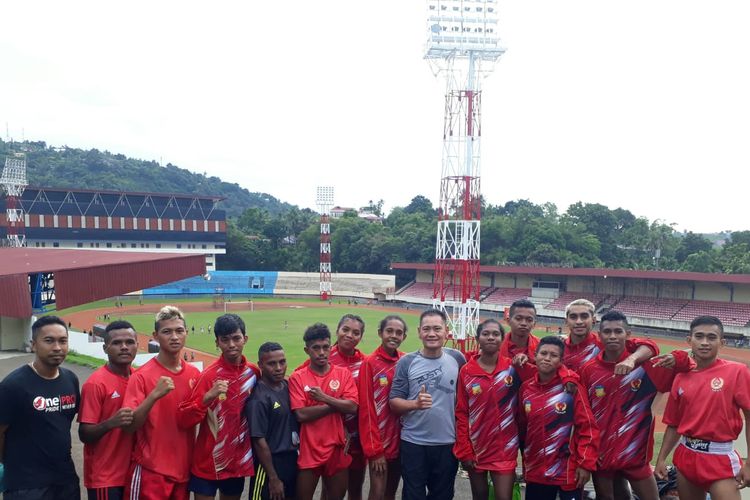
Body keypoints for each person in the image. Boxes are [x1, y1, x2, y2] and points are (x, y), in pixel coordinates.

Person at [579, 310, 693, 500]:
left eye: (618, 331)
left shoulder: (647, 367)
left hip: (636, 456)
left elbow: (686, 365)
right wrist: (589, 450)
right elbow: (583, 414)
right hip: (602, 455)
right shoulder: (588, 370)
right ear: (599, 336)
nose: (613, 336)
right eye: (607, 332)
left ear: (628, 334)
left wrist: (678, 358)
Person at [655, 316, 750, 500]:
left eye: (711, 337)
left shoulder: (737, 372)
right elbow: (674, 424)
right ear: (689, 341)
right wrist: (661, 458)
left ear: (722, 342)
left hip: (719, 458)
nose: (705, 342)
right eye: (699, 336)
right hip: (686, 455)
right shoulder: (681, 377)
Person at [177, 314, 260, 500]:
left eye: (236, 338)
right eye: (225, 340)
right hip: (207, 462)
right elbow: (184, 419)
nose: (231, 345)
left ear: (245, 339)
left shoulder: (253, 373)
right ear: (217, 343)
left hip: (236, 463)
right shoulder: (208, 376)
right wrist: (207, 397)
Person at [122, 305, 200, 500]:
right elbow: (129, 427)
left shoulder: (195, 375)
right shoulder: (141, 377)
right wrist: (154, 395)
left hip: (183, 472)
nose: (174, 337)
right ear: (155, 336)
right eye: (167, 332)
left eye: (179, 331)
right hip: (151, 471)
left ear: (186, 333)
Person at [0, 315, 81, 500]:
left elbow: (62, 423)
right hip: (27, 485)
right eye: (49, 341)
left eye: (63, 341)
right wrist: (11, 464)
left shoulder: (70, 379)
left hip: (65, 480)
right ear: (34, 344)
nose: (57, 347)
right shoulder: (13, 386)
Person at [389, 309, 466, 500]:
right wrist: (414, 404)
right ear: (419, 332)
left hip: (447, 443)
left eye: (437, 328)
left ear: (446, 331)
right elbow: (394, 403)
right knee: (413, 494)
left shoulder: (457, 359)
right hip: (414, 443)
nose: (432, 334)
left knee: (442, 495)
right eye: (427, 329)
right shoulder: (406, 362)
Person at [454, 319, 534, 500]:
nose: (491, 337)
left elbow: (545, 376)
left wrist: (528, 361)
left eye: (495, 334)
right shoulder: (466, 371)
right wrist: (464, 449)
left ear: (502, 339)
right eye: (486, 334)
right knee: (480, 496)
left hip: (505, 447)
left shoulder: (512, 367)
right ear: (477, 338)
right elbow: (461, 412)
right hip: (476, 447)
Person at [518, 336, 599, 500]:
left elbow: (588, 427)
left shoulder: (571, 388)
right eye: (543, 353)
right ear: (535, 355)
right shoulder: (526, 389)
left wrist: (585, 464)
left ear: (561, 360)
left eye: (553, 355)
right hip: (536, 470)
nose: (547, 358)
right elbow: (523, 429)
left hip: (567, 472)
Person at [289, 323, 358, 500]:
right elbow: (301, 415)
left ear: (330, 347)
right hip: (308, 450)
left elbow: (352, 407)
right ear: (307, 350)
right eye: (316, 348)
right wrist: (336, 403)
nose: (321, 352)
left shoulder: (343, 374)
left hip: (336, 448)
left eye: (326, 347)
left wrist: (325, 398)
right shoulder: (298, 377)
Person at [79, 320, 138, 500]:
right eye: (117, 343)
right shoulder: (95, 384)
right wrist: (111, 423)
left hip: (133, 473)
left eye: (129, 342)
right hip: (106, 478)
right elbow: (84, 434)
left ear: (137, 345)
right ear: (105, 348)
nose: (124, 347)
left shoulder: (139, 378)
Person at [358, 315, 408, 500]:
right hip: (379, 442)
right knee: (377, 492)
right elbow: (366, 409)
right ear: (380, 333)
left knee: (390, 493)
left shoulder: (406, 360)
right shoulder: (369, 363)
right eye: (389, 331)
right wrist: (374, 451)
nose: (393, 336)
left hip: (402, 440)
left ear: (404, 337)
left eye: (399, 332)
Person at [247, 342, 300, 500]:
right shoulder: (259, 398)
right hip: (269, 466)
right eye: (271, 363)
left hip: (291, 461)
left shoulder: (287, 386)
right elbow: (258, 441)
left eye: (282, 362)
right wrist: (273, 478)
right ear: (260, 365)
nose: (278, 368)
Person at [562, 298, 659, 372]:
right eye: (573, 317)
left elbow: (650, 346)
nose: (579, 321)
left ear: (594, 320)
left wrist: (631, 359)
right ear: (566, 321)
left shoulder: (605, 342)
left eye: (584, 316)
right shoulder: (558, 347)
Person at [329, 314, 367, 500]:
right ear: (337, 331)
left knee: (356, 488)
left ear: (361, 337)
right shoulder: (323, 358)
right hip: (331, 436)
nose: (350, 335)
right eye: (345, 330)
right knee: (330, 491)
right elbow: (301, 383)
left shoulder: (365, 363)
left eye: (356, 332)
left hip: (359, 435)